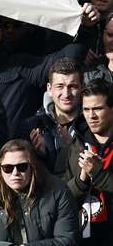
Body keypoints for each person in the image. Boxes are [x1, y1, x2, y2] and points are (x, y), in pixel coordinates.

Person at [0, 139, 80, 246]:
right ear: (0, 169)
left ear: (32, 167)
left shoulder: (57, 190)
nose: (15, 173)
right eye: (8, 168)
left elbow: (68, 239)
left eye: (22, 167)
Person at [65, 78, 113, 245]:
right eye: (86, 109)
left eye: (98, 109)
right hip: (83, 237)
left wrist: (100, 175)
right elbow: (61, 196)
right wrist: (81, 179)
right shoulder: (75, 144)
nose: (91, 116)